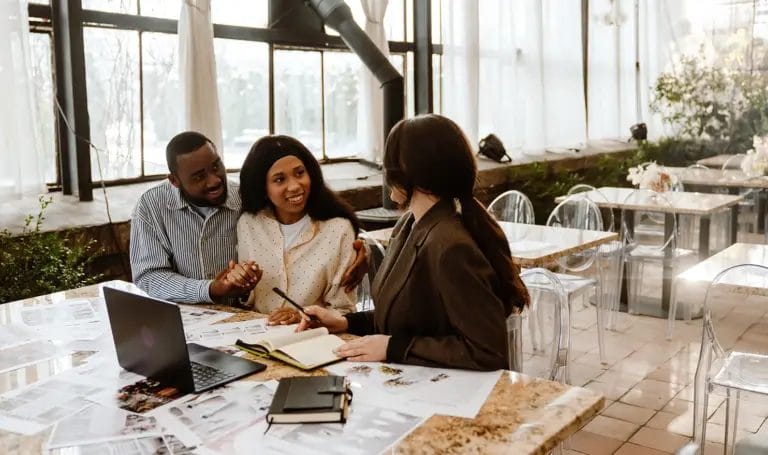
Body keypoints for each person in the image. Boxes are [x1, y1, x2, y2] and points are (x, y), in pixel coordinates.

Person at [298, 114, 530, 371]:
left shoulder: (451, 246)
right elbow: (407, 318)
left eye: (389, 165)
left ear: (410, 171)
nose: (385, 174)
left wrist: (392, 347)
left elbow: (487, 351)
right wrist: (345, 322)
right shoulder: (408, 224)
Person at [130, 131, 366, 305]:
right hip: (184, 320)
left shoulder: (248, 200)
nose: (214, 180)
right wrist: (211, 289)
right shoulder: (151, 207)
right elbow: (148, 276)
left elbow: (316, 221)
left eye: (216, 166)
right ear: (175, 180)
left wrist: (361, 250)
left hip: (244, 322)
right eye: (199, 176)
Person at [228, 136, 360, 325]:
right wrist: (242, 285)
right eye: (279, 179)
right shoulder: (249, 223)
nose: (295, 186)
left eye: (299, 173)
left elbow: (344, 310)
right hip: (257, 332)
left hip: (312, 336)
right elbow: (248, 301)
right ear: (263, 187)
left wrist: (303, 316)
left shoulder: (339, 229)